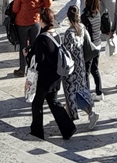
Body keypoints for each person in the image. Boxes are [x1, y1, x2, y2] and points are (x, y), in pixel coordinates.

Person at [27, 8, 76, 141]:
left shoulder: (42, 39)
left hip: (44, 79)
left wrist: (28, 55)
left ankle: (37, 132)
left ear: (42, 21)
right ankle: (68, 128)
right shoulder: (56, 35)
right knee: (53, 102)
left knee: (37, 103)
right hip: (56, 77)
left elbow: (39, 60)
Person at [61, 6, 100, 129]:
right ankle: (79, 114)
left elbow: (66, 52)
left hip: (70, 68)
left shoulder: (69, 33)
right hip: (81, 66)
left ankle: (87, 115)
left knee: (71, 93)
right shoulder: (82, 28)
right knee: (80, 91)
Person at [12, 0, 52, 76]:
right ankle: (34, 68)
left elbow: (15, 9)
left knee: (23, 45)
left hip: (22, 22)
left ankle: (22, 69)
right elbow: (49, 2)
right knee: (35, 46)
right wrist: (39, 7)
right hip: (35, 22)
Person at [83, 0, 108, 100]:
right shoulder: (97, 13)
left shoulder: (84, 16)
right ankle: (99, 92)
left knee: (86, 72)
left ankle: (86, 94)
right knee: (95, 69)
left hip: (89, 47)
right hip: (97, 45)